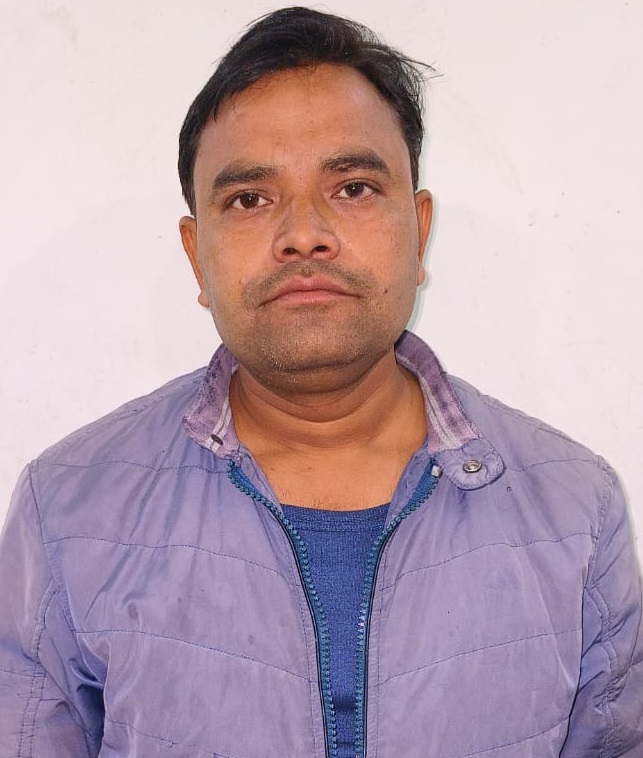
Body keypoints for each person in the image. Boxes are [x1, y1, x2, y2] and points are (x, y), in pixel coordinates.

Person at [0, 6, 641, 757]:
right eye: (249, 199)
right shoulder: (69, 510)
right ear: (195, 255)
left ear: (419, 230)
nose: (303, 234)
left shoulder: (575, 509)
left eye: (353, 188)